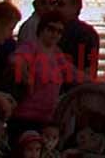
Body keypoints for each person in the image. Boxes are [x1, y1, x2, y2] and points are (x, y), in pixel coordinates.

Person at [6, 12, 78, 140]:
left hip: (46, 120)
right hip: (24, 118)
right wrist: (24, 74)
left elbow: (71, 72)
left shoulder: (56, 53)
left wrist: (96, 82)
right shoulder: (31, 47)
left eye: (59, 31)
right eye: (51, 29)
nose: (55, 34)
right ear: (41, 29)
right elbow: (16, 60)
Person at [53, 0, 98, 80]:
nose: (56, 7)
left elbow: (89, 68)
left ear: (74, 8)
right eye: (55, 3)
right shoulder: (52, 27)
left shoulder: (86, 33)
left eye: (61, 4)